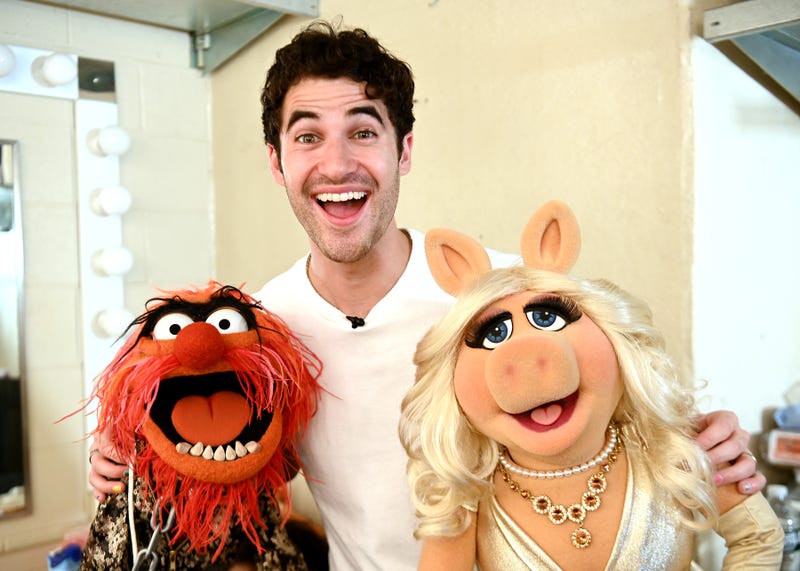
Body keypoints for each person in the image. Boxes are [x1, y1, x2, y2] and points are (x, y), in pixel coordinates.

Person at [88, 21, 765, 571]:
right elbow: (229, 461)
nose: (337, 164)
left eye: (363, 130)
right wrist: (127, 461)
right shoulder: (266, 338)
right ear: (277, 162)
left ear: (403, 150)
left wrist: (707, 439)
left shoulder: (504, 298)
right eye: (307, 137)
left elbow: (624, 411)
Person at [399, 201, 782, 569]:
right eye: (493, 334)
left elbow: (758, 537)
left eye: (549, 318)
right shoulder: (466, 495)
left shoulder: (669, 448)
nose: (527, 358)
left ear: (615, 337)